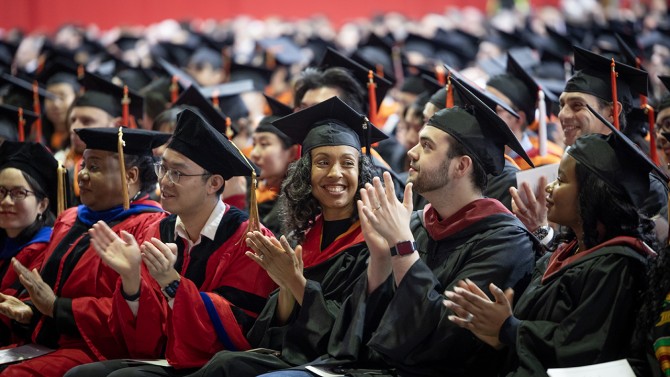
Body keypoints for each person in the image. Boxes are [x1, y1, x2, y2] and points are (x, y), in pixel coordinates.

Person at [259, 75, 539, 377]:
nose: (411, 153)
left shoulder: (506, 242)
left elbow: (445, 343)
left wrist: (403, 246)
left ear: (461, 166)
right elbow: (362, 335)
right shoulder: (419, 225)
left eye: (427, 146)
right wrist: (379, 259)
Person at [445, 114, 665, 376]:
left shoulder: (618, 265)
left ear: (591, 193)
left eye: (561, 180)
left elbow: (585, 349)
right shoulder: (569, 250)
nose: (549, 188)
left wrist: (509, 328)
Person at [66, 108, 277, 376]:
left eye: (177, 173)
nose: (163, 181)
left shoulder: (247, 240)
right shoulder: (156, 230)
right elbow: (144, 342)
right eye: (162, 168)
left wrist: (171, 282)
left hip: (214, 366)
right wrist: (131, 280)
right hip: (163, 358)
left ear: (213, 183)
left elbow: (238, 332)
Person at [184, 96, 384, 377]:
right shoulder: (301, 237)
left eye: (347, 163)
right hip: (297, 356)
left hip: (340, 365)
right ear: (306, 173)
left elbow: (352, 332)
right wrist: (285, 287)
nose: (335, 173)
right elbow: (275, 331)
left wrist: (293, 280)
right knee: (223, 364)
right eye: (322, 162)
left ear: (360, 171)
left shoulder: (372, 243)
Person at [0, 127, 168, 376]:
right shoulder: (70, 218)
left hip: (101, 350)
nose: (82, 175)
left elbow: (139, 311)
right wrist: (32, 311)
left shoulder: (150, 228)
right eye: (83, 164)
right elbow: (52, 290)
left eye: (95, 167)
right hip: (51, 342)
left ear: (130, 175)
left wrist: (57, 307)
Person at [513, 46, 668, 245]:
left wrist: (543, 231)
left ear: (613, 112)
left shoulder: (642, 184)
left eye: (577, 105)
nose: (563, 115)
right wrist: (540, 229)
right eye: (562, 105)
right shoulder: (568, 169)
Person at [0, 142, 63, 344]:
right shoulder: (4, 241)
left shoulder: (45, 249)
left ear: (42, 205)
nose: (6, 201)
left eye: (19, 193)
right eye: (1, 191)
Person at [485, 53, 563, 170]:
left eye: (495, 108)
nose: (484, 111)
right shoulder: (479, 152)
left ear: (519, 119)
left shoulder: (543, 164)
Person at [249, 95, 299, 237]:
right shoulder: (253, 191)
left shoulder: (298, 205)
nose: (254, 153)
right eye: (254, 144)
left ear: (292, 153)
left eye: (264, 144)